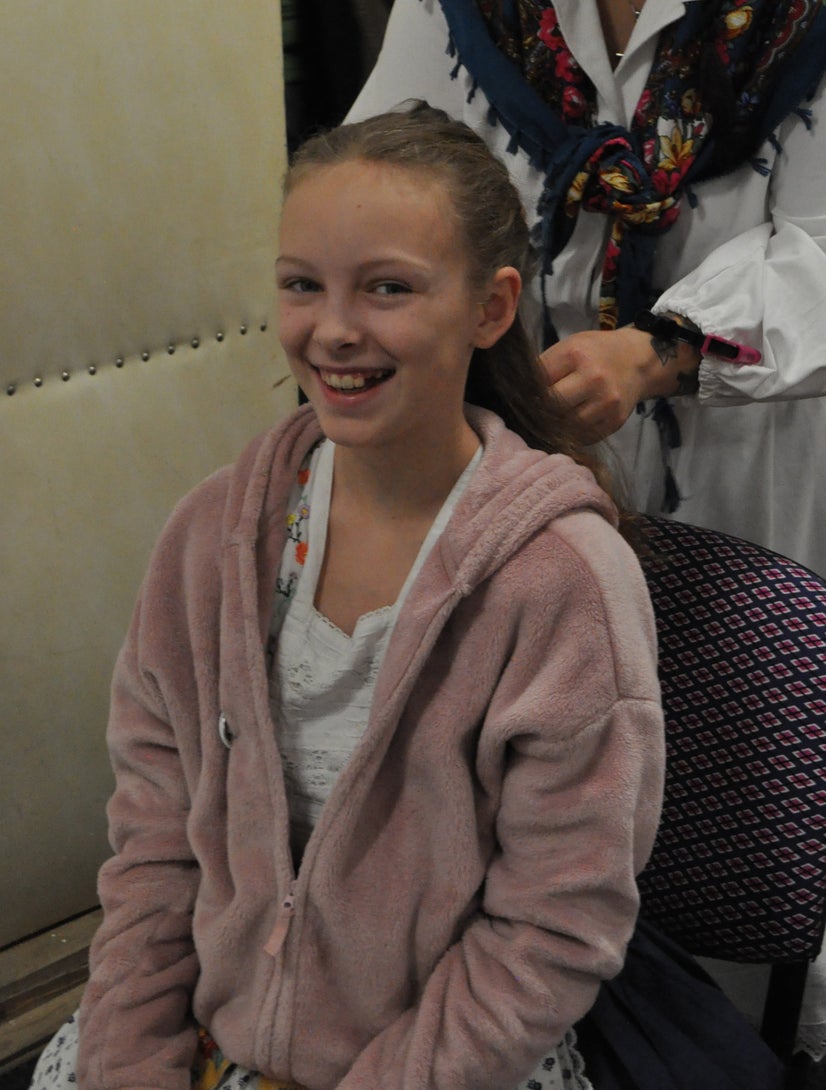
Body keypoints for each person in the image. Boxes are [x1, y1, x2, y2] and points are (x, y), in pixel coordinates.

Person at [30, 104, 781, 1090]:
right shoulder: (211, 539)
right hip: (210, 1031)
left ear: (490, 307)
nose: (334, 329)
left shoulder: (558, 583)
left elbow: (551, 926)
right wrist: (131, 1065)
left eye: (387, 287)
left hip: (454, 1057)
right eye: (303, 285)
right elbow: (154, 852)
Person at [345, 0, 826, 579]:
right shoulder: (463, 11)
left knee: (715, 650)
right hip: (508, 443)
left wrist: (652, 355)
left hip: (737, 449)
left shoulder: (802, 22)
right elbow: (369, 192)